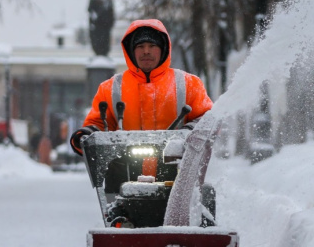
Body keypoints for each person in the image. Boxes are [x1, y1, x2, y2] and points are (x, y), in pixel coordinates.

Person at [70, 19, 213, 155]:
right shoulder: (110, 88)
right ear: (131, 51)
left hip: (177, 170)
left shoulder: (188, 83)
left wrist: (188, 132)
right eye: (140, 46)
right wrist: (85, 136)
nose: (146, 51)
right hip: (123, 171)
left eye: (152, 46)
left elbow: (208, 120)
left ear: (163, 49)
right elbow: (99, 123)